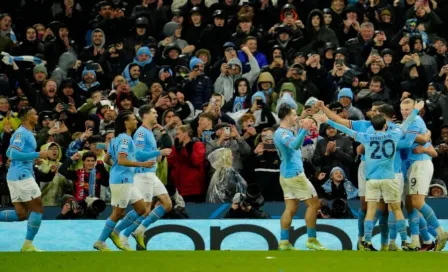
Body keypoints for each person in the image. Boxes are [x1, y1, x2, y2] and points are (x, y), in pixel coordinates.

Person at [317, 100, 424, 251]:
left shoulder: (366, 137)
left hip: (372, 179)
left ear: (372, 126)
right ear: (385, 125)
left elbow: (346, 130)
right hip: (389, 177)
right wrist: (416, 110)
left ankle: (366, 240)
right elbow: (406, 125)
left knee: (371, 210)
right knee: (397, 209)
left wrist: (327, 121)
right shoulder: (393, 134)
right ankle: (405, 241)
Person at [93, 110, 155, 251]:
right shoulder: (125, 140)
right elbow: (121, 160)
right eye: (133, 119)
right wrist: (142, 164)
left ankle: (115, 232)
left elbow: (107, 159)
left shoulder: (116, 139)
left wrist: (116, 168)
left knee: (141, 209)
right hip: (122, 180)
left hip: (124, 179)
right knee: (118, 213)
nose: (136, 121)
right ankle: (100, 241)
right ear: (126, 122)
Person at [274, 104, 327, 251]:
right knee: (314, 205)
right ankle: (311, 240)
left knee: (291, 207)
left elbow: (296, 132)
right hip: (295, 175)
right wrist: (304, 128)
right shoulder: (282, 134)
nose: (296, 117)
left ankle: (284, 243)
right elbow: (295, 145)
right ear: (286, 117)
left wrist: (304, 119)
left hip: (286, 174)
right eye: (294, 114)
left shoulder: (284, 131)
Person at [120, 105, 173, 250]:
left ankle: (140, 230)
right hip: (142, 174)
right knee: (144, 209)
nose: (156, 115)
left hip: (151, 174)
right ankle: (124, 235)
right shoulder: (142, 133)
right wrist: (158, 152)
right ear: (145, 115)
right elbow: (137, 153)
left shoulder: (149, 132)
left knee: (167, 204)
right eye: (154, 113)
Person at [400, 98, 448, 251]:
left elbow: (413, 141)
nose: (404, 113)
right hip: (412, 166)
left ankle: (440, 233)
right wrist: (426, 140)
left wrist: (425, 141)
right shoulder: (409, 123)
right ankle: (416, 241)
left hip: (419, 164)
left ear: (414, 109)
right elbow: (426, 142)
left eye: (408, 109)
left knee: (417, 202)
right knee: (412, 205)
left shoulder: (416, 121)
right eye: (402, 109)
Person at [0, 107, 50, 251]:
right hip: (22, 175)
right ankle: (28, 245)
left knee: (21, 214)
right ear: (28, 117)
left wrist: (29, 160)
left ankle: (28, 245)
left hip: (15, 175)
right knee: (38, 209)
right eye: (35, 114)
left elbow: (9, 151)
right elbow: (14, 155)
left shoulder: (22, 132)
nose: (37, 116)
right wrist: (37, 155)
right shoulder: (22, 133)